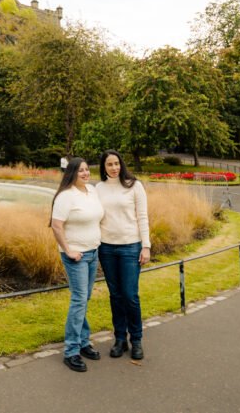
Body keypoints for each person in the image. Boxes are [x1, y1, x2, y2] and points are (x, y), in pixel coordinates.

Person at [50, 157, 104, 373]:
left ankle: (83, 342)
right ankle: (71, 351)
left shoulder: (92, 191)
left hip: (93, 252)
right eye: (80, 170)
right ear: (71, 173)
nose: (85, 173)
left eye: (87, 170)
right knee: (79, 300)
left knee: (84, 298)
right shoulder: (66, 196)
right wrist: (68, 250)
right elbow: (56, 225)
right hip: (76, 257)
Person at [96, 149, 150, 360]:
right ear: (104, 167)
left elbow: (143, 217)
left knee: (130, 295)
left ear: (122, 164)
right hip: (107, 248)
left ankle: (136, 340)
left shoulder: (134, 186)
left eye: (117, 163)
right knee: (116, 296)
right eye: (109, 164)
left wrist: (146, 246)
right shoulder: (98, 188)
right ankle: (120, 339)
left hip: (130, 247)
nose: (114, 168)